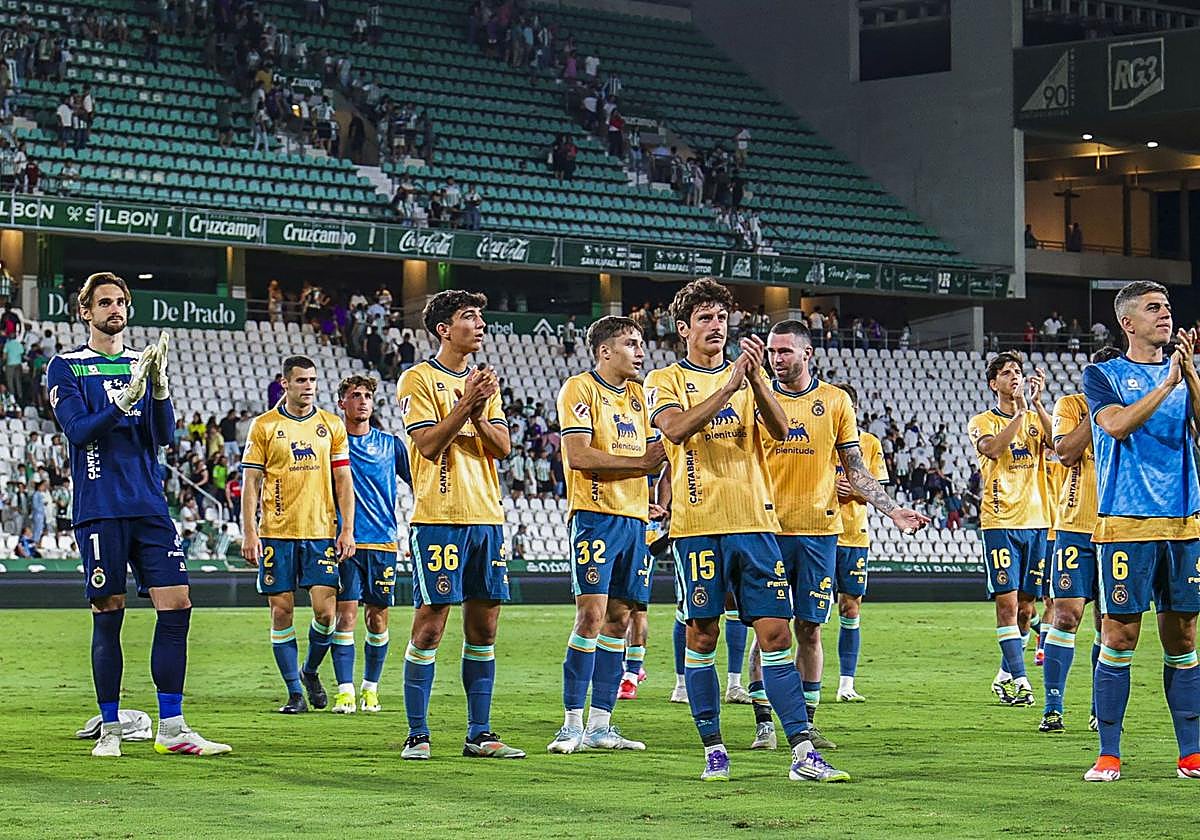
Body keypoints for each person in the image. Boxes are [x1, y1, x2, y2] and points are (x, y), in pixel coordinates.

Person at [643, 278, 849, 782]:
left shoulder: (749, 380)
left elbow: (781, 430)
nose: (717, 326)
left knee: (777, 633)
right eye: (706, 319)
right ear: (683, 328)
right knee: (703, 634)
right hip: (698, 527)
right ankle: (714, 749)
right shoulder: (665, 379)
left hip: (756, 524)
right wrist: (730, 385)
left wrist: (755, 381)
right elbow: (675, 430)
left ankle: (802, 750)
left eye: (722, 318)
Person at [47, 271, 230, 757]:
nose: (115, 309)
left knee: (178, 605)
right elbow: (79, 431)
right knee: (109, 613)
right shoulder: (66, 366)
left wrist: (159, 390)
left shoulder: (142, 363)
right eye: (104, 302)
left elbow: (163, 435)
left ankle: (172, 727)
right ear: (85, 311)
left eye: (121, 302)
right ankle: (110, 729)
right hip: (101, 507)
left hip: (149, 504)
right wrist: (125, 399)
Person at [745, 324, 927, 752]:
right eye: (772, 352)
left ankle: (806, 724)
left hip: (820, 533)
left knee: (810, 629)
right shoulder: (755, 397)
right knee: (767, 629)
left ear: (807, 354)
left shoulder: (835, 401)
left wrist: (892, 509)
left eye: (785, 351)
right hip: (767, 530)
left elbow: (856, 469)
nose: (777, 359)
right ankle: (764, 724)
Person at [396, 290, 523, 760]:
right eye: (470, 316)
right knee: (430, 627)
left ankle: (480, 734)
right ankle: (417, 733)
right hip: (439, 517)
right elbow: (429, 445)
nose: (480, 324)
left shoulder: (484, 383)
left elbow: (502, 446)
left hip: (486, 516)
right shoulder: (417, 379)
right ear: (444, 329)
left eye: (481, 316)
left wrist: (478, 407)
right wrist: (469, 402)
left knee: (484, 630)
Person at [1082, 281, 1200, 782]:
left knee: (1184, 637)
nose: (1166, 314)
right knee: (1120, 635)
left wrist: (1189, 377)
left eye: (1168, 307)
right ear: (1127, 323)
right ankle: (1109, 753)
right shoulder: (1102, 374)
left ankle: (1191, 754)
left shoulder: (1186, 374)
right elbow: (1115, 425)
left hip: (1184, 523)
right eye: (1154, 308)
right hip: (1125, 524)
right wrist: (1169, 384)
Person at [546, 316, 667, 755]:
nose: (640, 351)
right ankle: (570, 725)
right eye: (631, 343)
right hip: (595, 517)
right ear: (605, 351)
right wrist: (641, 467)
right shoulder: (580, 389)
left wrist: (649, 497)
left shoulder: (640, 396)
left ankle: (600, 725)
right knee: (591, 616)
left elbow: (657, 453)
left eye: (641, 343)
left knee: (620, 619)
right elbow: (579, 455)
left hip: (634, 521)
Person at [240, 355, 357, 714]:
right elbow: (251, 482)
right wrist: (249, 533)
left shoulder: (331, 425)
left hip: (320, 532)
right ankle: (294, 693)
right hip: (276, 534)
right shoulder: (264, 426)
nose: (309, 386)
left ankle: (309, 670)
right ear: (285, 383)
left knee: (325, 614)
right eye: (302, 380)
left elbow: (343, 480)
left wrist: (347, 529)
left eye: (313, 380)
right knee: (281, 612)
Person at [308, 375, 411, 714]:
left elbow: (418, 482)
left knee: (378, 619)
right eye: (355, 395)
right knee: (346, 616)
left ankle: (371, 688)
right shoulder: (330, 445)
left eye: (367, 395)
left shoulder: (390, 444)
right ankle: (345, 691)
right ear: (342, 403)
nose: (363, 401)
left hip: (383, 541)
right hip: (344, 542)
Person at [1039, 346, 1122, 735]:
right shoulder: (1071, 405)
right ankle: (1053, 708)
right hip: (1075, 526)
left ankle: (1098, 708)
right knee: (1066, 614)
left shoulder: (1132, 410)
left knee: (1109, 624)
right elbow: (1066, 453)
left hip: (1117, 529)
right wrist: (1097, 408)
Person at [967, 352, 1052, 708]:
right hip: (1000, 522)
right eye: (1006, 373)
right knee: (1007, 604)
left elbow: (1059, 446)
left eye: (1017, 371)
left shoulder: (1033, 417)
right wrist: (1018, 414)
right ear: (993, 383)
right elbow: (992, 449)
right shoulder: (981, 421)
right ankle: (1022, 681)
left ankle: (1004, 675)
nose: (1014, 377)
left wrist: (1038, 405)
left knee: (1026, 609)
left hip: (1037, 520)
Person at [832, 383, 892, 703]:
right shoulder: (819, 439)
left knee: (850, 606)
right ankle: (801, 680)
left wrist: (853, 489)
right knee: (805, 613)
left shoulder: (868, 443)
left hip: (854, 536)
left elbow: (877, 490)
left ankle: (846, 684)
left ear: (854, 409)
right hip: (819, 534)